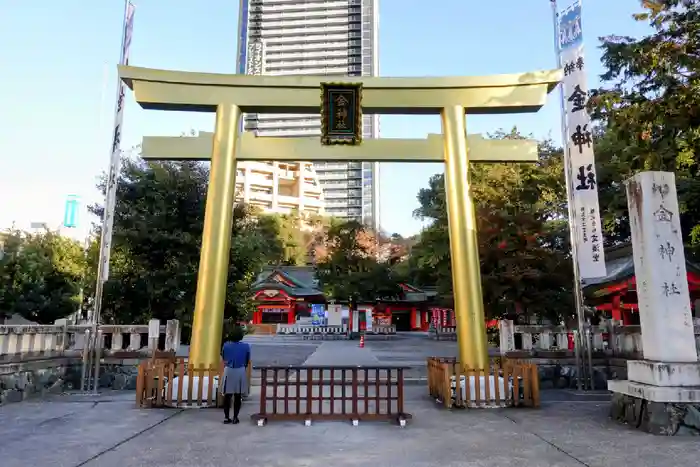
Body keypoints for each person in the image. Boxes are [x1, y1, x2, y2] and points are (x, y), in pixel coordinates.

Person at [220, 326, 250, 424]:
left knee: (227, 396)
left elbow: (224, 357)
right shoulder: (246, 346)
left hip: (229, 370)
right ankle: (235, 417)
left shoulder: (226, 345)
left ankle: (226, 417)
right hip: (240, 369)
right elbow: (247, 360)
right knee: (238, 396)